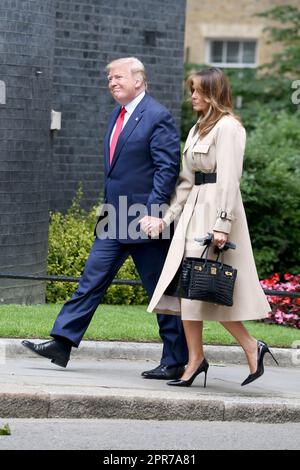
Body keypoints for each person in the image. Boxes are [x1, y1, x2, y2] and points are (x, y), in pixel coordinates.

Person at [22, 57, 188, 380]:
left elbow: (167, 169)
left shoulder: (158, 117)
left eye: (118, 77)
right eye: (109, 78)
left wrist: (155, 213)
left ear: (138, 80)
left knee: (160, 291)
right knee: (91, 280)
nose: (112, 82)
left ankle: (177, 358)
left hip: (144, 218)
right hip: (113, 215)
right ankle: (62, 342)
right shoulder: (117, 114)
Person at [146, 67, 278, 387]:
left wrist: (222, 224)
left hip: (216, 213)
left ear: (214, 93)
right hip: (192, 214)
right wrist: (166, 217)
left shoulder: (229, 128)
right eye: (191, 89)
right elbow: (186, 182)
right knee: (187, 292)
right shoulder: (196, 130)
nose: (192, 96)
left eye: (198, 91)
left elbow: (230, 181)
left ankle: (250, 346)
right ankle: (196, 360)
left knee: (206, 291)